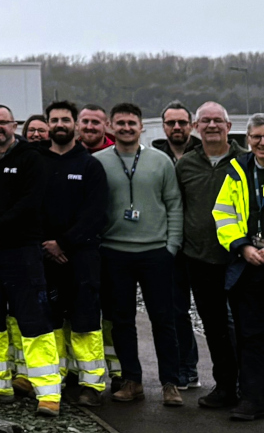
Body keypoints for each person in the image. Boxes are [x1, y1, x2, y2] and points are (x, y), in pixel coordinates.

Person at [0, 104, 63, 415]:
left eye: (1, 122)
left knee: (33, 321)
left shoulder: (31, 159)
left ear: (13, 124)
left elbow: (31, 202)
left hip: (22, 252)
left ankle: (48, 393)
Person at [96, 102, 185, 406]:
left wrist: (171, 246)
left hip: (155, 252)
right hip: (114, 252)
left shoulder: (160, 162)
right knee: (121, 320)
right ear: (111, 126)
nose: (126, 128)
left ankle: (170, 383)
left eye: (131, 123)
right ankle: (131, 380)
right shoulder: (99, 162)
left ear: (141, 127)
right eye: (120, 123)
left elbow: (174, 204)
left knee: (164, 319)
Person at [38, 101, 110, 406]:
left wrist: (63, 244)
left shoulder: (90, 165)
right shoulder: (36, 161)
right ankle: (60, 375)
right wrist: (45, 244)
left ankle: (91, 384)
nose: (60, 124)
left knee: (85, 320)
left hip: (81, 256)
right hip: (44, 255)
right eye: (54, 120)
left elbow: (95, 213)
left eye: (66, 120)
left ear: (76, 125)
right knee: (52, 318)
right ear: (48, 124)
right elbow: (28, 205)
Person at [177, 103, 245, 410]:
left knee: (246, 326)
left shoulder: (245, 161)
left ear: (229, 127)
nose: (212, 125)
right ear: (195, 126)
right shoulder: (186, 166)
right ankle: (226, 386)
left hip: (240, 259)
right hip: (200, 258)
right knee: (214, 327)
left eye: (219, 120)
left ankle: (251, 385)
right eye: (206, 120)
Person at [212, 114, 264, 420]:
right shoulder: (237, 171)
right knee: (251, 336)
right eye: (256, 136)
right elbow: (223, 214)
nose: (262, 143)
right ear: (248, 139)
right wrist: (242, 246)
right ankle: (253, 398)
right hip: (249, 267)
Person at [153, 101, 202, 389]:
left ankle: (235, 375)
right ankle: (186, 368)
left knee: (218, 314)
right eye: (171, 123)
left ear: (191, 124)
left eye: (182, 122)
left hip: (202, 245)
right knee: (176, 311)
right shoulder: (154, 157)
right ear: (164, 126)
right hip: (169, 246)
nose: (177, 128)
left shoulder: (202, 153)